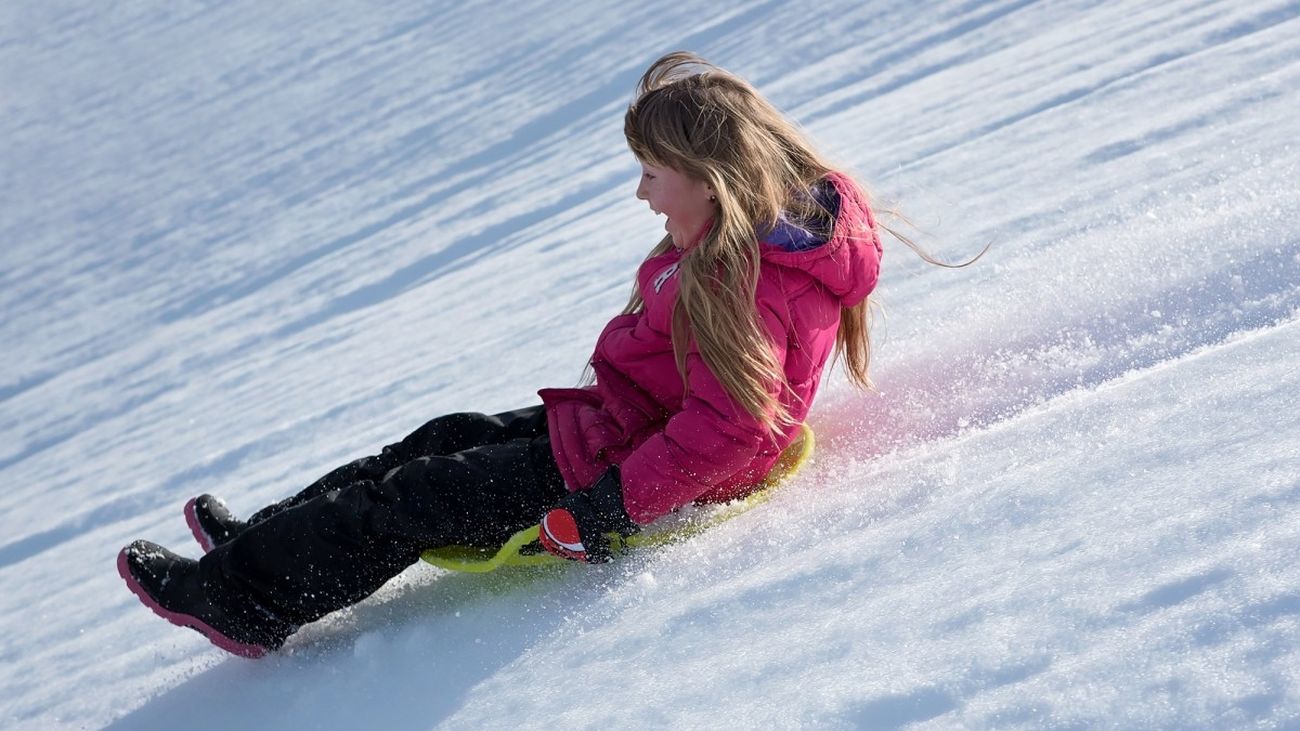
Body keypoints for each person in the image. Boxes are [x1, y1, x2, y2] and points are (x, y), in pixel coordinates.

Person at [118, 51, 885, 658]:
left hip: (618, 471)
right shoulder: (753, 245)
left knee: (411, 497)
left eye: (653, 174)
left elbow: (728, 432)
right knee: (440, 437)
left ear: (714, 183)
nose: (642, 195)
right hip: (619, 429)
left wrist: (609, 510)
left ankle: (241, 599)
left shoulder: (741, 282)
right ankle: (261, 538)